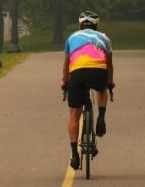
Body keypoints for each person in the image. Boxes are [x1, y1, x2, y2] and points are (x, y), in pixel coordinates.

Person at [61, 10, 114, 170]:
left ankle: (74, 155)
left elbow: (66, 66)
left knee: (74, 114)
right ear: (96, 26)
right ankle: (101, 118)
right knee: (102, 89)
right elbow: (109, 66)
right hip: (98, 72)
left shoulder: (71, 38)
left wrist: (65, 83)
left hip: (77, 74)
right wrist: (110, 84)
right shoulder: (104, 38)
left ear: (80, 25)